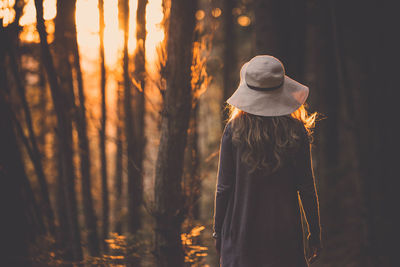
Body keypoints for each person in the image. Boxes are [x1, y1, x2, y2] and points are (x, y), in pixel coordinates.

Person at [212, 55, 322, 267]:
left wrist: (218, 232)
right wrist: (314, 232)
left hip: (242, 235)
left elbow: (223, 187)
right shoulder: (296, 130)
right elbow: (306, 187)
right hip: (284, 237)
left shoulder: (234, 130)